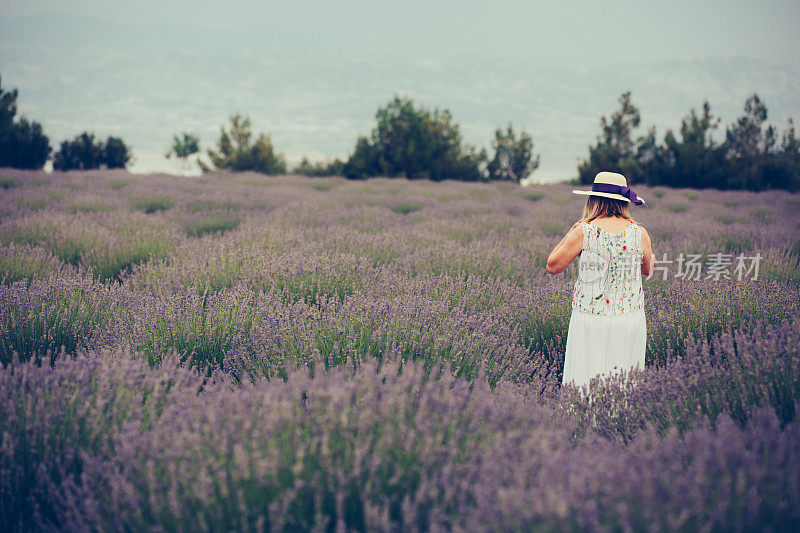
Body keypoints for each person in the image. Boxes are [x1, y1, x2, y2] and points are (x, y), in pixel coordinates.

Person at [545, 171, 655, 388]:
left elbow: (552, 265)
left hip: (591, 317)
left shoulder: (584, 231)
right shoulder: (638, 232)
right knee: (624, 380)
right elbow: (648, 269)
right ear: (623, 203)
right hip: (629, 317)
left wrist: (571, 231)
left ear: (593, 200)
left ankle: (584, 420)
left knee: (586, 378)